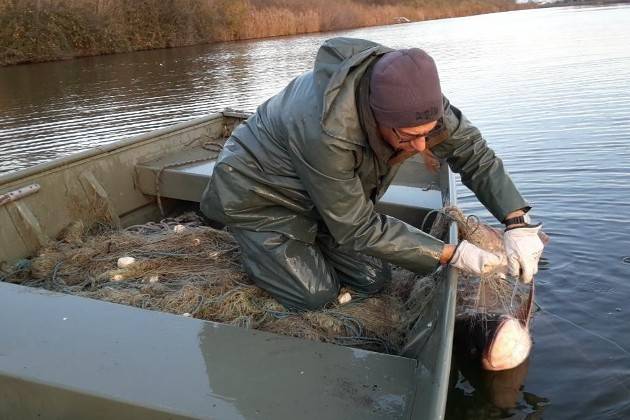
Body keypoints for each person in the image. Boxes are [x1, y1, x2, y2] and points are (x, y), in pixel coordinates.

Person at [201, 37, 544, 311]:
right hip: (260, 193)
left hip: (323, 196)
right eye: (409, 138)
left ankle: (316, 234)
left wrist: (517, 222)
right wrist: (452, 254)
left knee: (372, 278)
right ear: (375, 116)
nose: (424, 147)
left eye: (430, 131)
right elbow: (356, 226)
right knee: (315, 295)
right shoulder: (329, 130)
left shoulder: (413, 95)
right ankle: (257, 243)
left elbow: (472, 153)